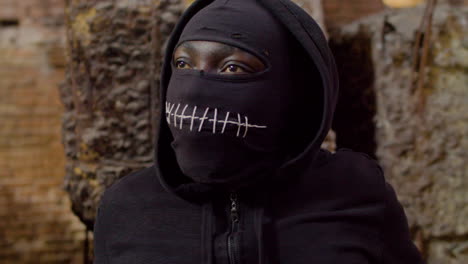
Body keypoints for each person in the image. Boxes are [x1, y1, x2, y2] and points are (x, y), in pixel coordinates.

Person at [93, 0, 425, 263]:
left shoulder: (355, 193)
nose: (194, 89)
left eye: (233, 67)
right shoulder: (128, 207)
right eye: (183, 64)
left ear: (290, 92)